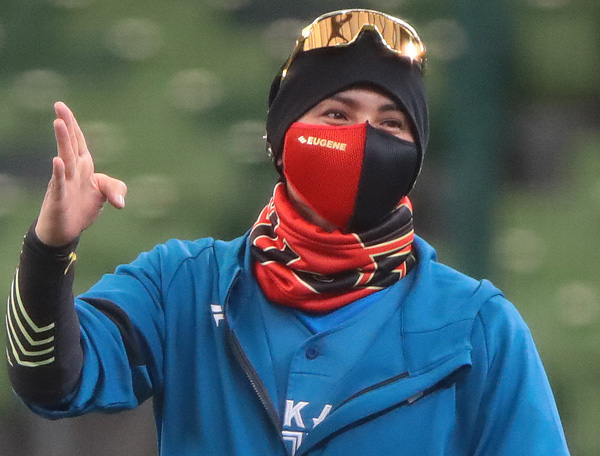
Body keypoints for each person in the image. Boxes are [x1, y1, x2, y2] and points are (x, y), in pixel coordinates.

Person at [5, 9, 570, 456]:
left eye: (390, 123)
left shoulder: (478, 329)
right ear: (280, 138)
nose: (362, 139)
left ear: (416, 157)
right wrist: (49, 248)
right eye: (337, 114)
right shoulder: (183, 286)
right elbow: (48, 378)